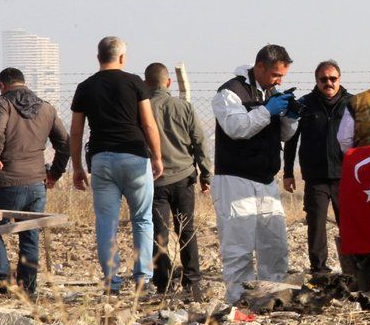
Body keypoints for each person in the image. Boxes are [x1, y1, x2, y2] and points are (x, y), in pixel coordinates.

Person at [70, 37, 164, 294]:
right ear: (122, 58)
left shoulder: (85, 87)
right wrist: (157, 156)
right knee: (142, 219)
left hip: (101, 160)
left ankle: (112, 282)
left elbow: (76, 131)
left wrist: (77, 167)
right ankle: (143, 279)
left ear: (98, 56)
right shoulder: (134, 82)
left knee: (106, 222)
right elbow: (148, 124)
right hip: (134, 156)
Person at [212, 44, 299, 303]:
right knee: (238, 248)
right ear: (260, 67)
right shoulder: (229, 93)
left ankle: (269, 299)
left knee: (274, 246)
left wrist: (290, 117)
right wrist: (266, 110)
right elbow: (237, 128)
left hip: (266, 180)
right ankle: (239, 301)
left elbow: (282, 135)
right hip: (235, 180)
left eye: (282, 76)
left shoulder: (271, 92)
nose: (279, 81)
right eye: (275, 75)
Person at [0, 67, 70, 296]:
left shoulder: (3, 103)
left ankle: (4, 278)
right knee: (30, 235)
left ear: (2, 85)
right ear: (24, 82)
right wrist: (54, 173)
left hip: (6, 182)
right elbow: (65, 143)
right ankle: (28, 288)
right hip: (36, 184)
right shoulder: (47, 108)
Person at [145, 62, 211, 298]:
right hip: (183, 177)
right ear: (169, 83)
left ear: (146, 84)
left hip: (155, 181)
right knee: (187, 230)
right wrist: (205, 174)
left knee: (159, 232)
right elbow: (199, 142)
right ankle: (192, 282)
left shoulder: (142, 109)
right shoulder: (184, 107)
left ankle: (163, 282)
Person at [283, 60, 352, 274]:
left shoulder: (352, 104)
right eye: (323, 79)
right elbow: (291, 140)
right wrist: (287, 173)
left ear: (339, 79)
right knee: (316, 225)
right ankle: (319, 270)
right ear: (316, 81)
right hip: (316, 177)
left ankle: (352, 268)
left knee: (350, 226)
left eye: (333, 79)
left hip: (345, 176)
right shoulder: (304, 105)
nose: (328, 83)